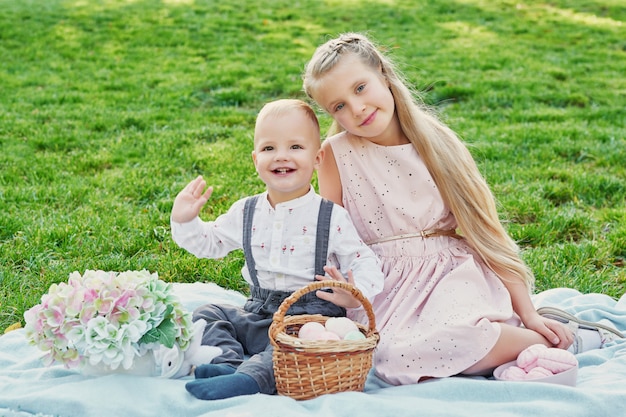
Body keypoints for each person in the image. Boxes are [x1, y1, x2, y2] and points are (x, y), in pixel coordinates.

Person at [302, 32, 623, 385]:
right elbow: (336, 237)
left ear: (382, 72)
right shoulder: (335, 155)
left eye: (360, 88)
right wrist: (345, 292)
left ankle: (560, 339)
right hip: (384, 283)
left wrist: (528, 312)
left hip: (447, 274)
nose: (356, 108)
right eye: (338, 106)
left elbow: (485, 232)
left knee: (455, 338)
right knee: (390, 356)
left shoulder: (438, 144)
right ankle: (502, 352)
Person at [170, 98, 384, 399]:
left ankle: (250, 380)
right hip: (258, 312)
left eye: (295, 147)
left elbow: (364, 260)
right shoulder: (246, 211)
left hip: (308, 319)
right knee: (209, 312)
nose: (281, 156)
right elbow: (210, 243)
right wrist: (185, 220)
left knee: (294, 348)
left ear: (317, 158)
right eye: (270, 148)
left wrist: (353, 292)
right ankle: (223, 364)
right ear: (256, 159)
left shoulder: (330, 216)